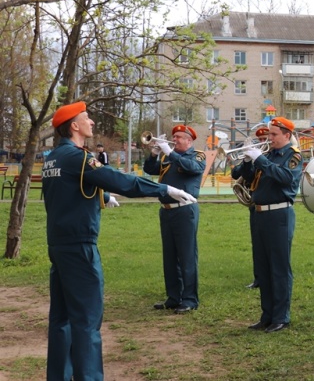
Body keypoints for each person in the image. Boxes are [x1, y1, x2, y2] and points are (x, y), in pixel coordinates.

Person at [43, 101, 196, 380]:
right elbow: (121, 180)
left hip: (59, 244)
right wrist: (164, 189)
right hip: (79, 247)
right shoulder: (79, 158)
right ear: (74, 126)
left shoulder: (53, 157)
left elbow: (67, 191)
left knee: (61, 320)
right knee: (87, 321)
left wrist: (102, 196)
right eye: (86, 118)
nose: (91, 122)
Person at [243, 117, 303, 333]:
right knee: (264, 266)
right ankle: (267, 315)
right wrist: (248, 161)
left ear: (287, 135)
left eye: (274, 134)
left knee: (278, 267)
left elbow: (285, 177)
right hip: (260, 214)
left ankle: (281, 317)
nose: (270, 138)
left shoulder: (293, 156)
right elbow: (248, 179)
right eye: (269, 134)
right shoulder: (267, 155)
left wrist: (260, 159)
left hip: (279, 214)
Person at [143, 124, 205, 314]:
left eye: (179, 137)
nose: (175, 139)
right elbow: (150, 169)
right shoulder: (167, 157)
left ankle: (189, 299)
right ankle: (173, 297)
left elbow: (192, 168)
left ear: (189, 140)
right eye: (174, 137)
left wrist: (170, 152)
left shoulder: (197, 156)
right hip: (167, 210)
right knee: (169, 256)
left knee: (186, 255)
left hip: (185, 210)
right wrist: (154, 154)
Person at [231, 126, 270, 289]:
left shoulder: (272, 156)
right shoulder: (254, 155)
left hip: (271, 204)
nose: (263, 142)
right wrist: (246, 160)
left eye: (266, 138)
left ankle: (270, 278)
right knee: (257, 244)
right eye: (260, 140)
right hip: (254, 203)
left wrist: (258, 158)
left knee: (271, 245)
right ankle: (258, 278)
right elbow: (237, 174)